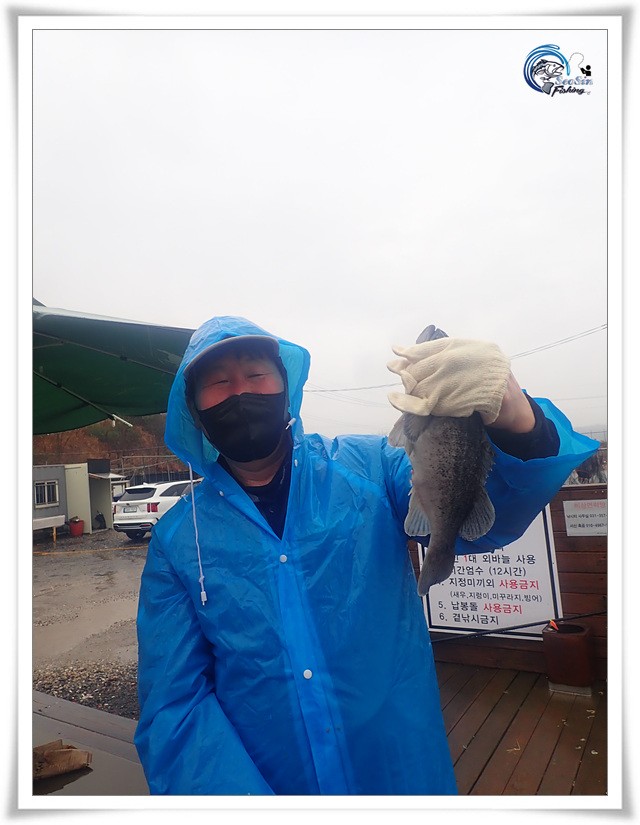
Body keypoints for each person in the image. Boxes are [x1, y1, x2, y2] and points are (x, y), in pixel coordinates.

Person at [134, 315, 599, 795]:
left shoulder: (371, 468)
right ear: (194, 410)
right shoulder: (178, 539)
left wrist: (518, 419)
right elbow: (175, 708)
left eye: (256, 374)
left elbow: (487, 517)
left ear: (286, 386)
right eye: (218, 382)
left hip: (403, 777)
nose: (241, 392)